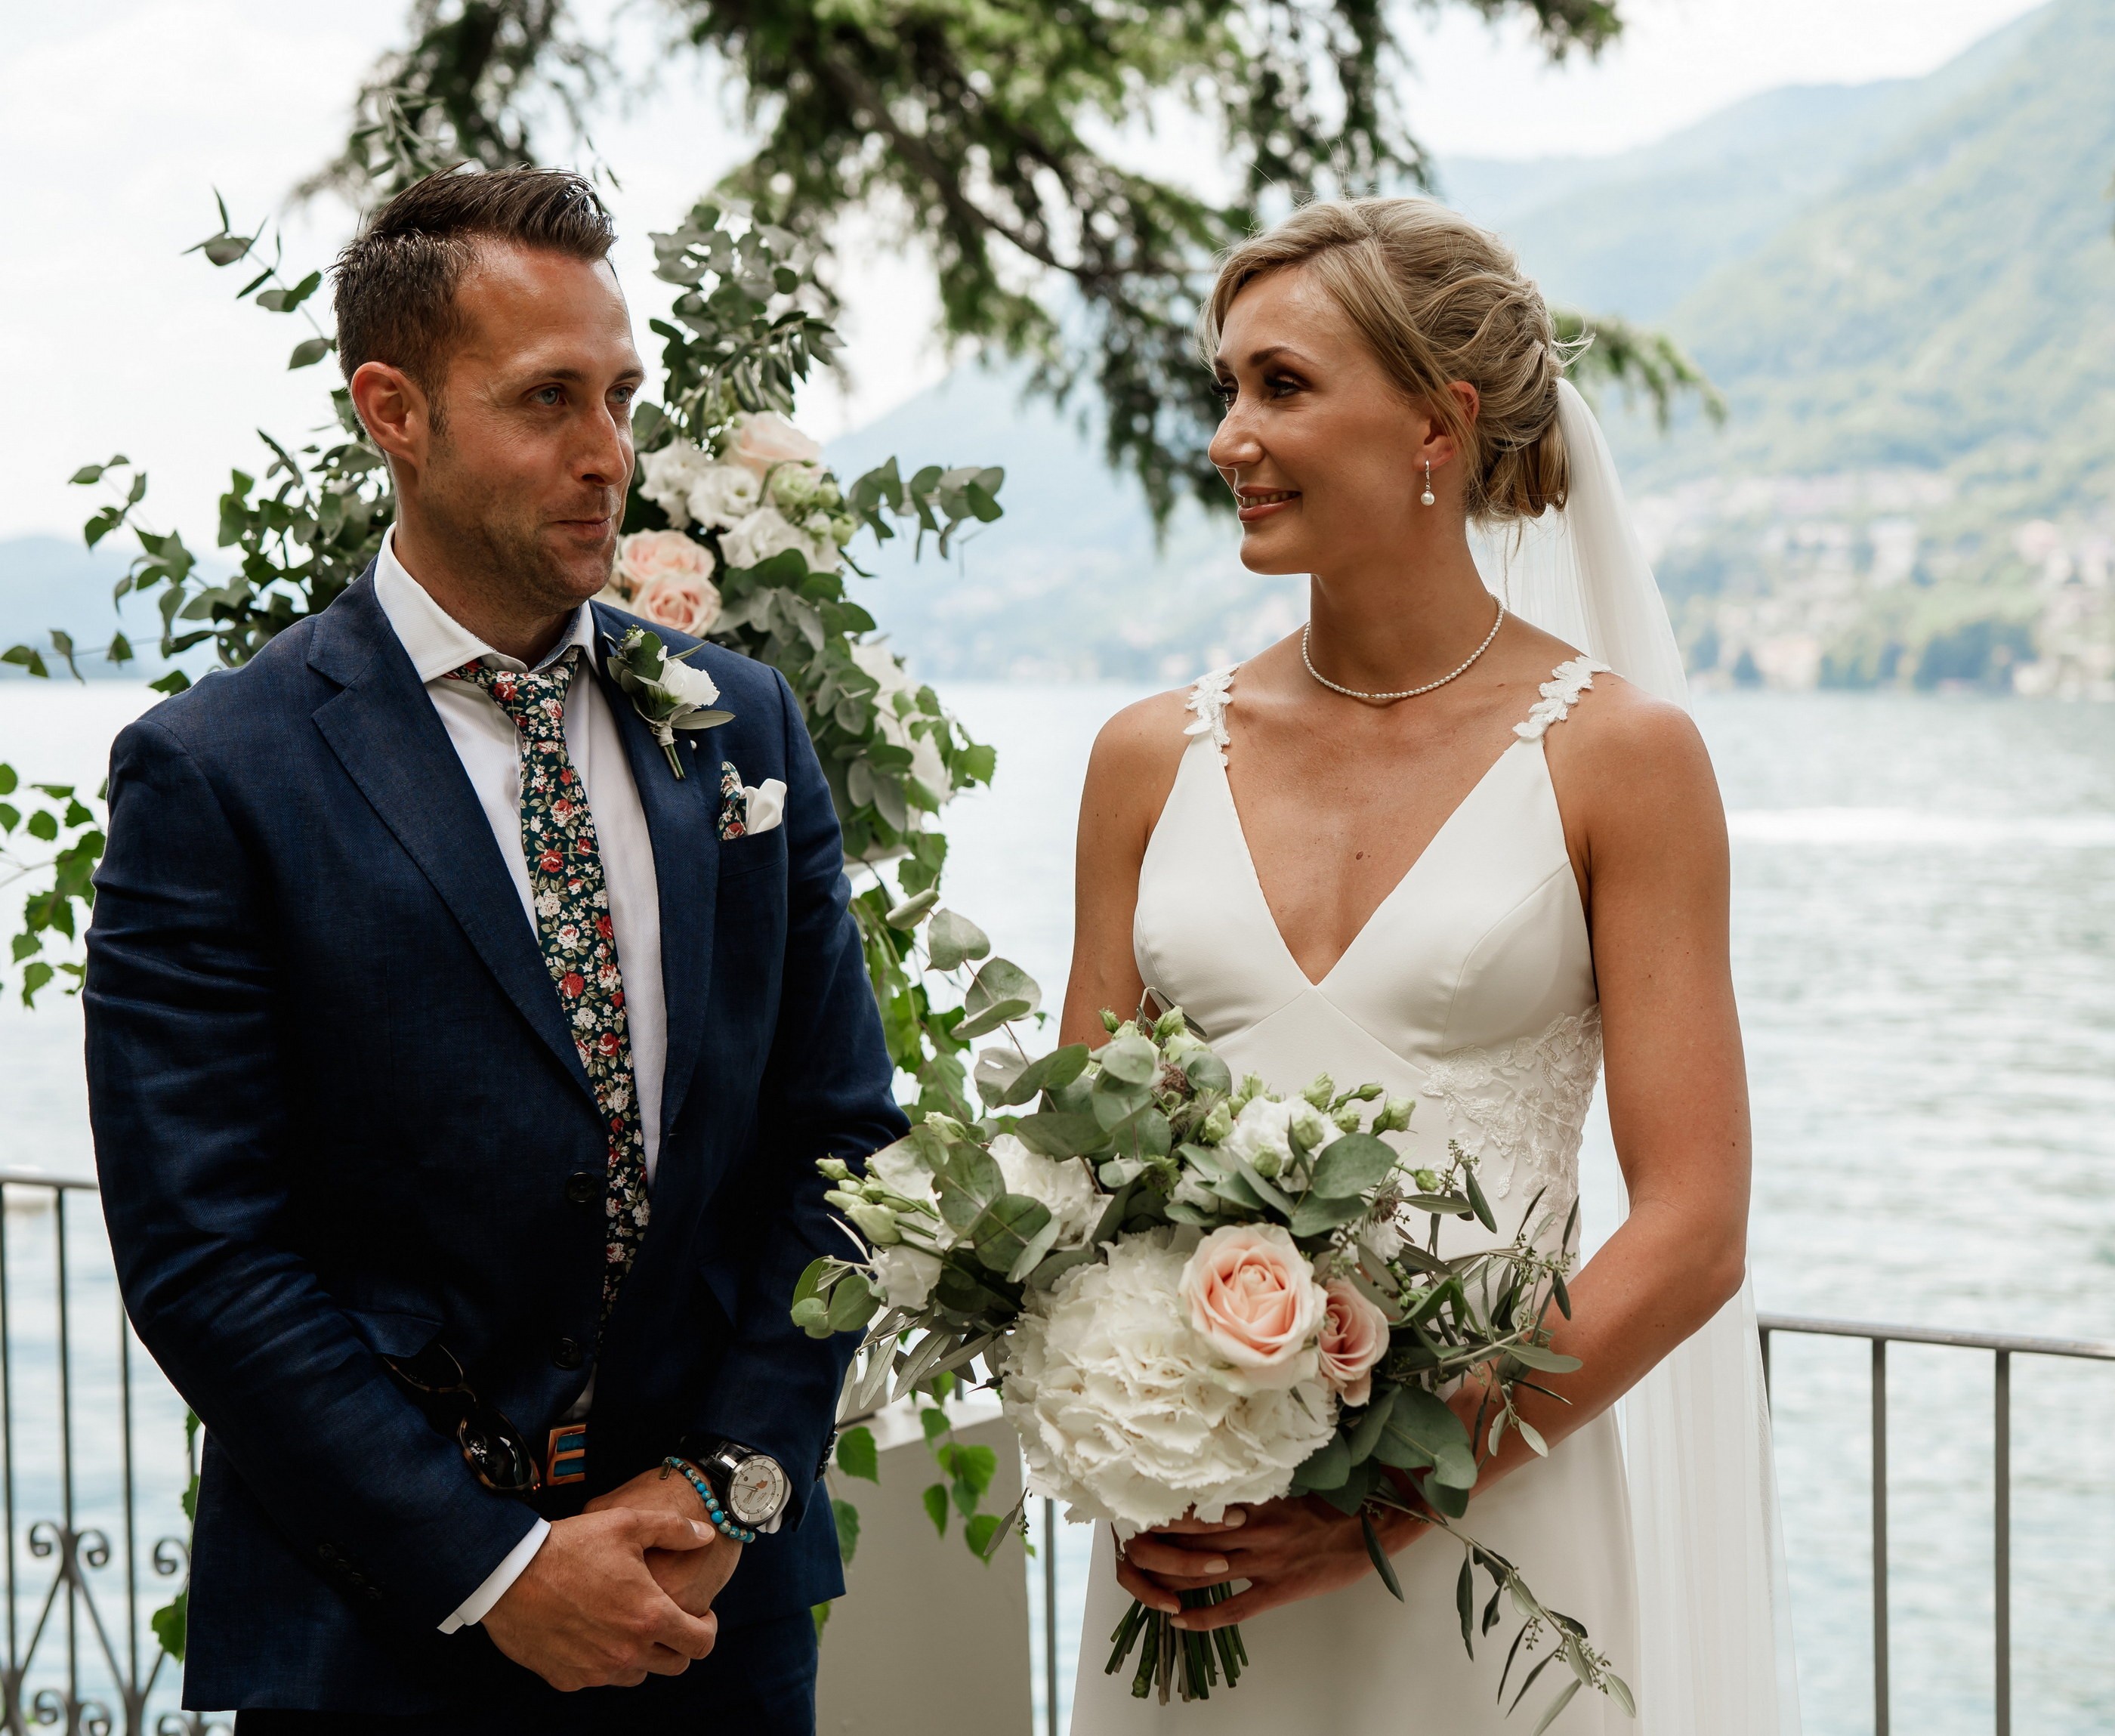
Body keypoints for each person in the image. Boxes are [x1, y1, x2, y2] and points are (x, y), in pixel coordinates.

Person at [83, 165, 897, 1731]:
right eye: (547, 400)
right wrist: (497, 1567)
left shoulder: (741, 723)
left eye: (621, 396)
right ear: (394, 411)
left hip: (710, 1621)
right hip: (381, 1636)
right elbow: (205, 1250)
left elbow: (843, 1142)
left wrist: (733, 1482)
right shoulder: (217, 772)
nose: (609, 454)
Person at [1058, 198, 1797, 1731]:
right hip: (1197, 1534)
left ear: (1436, 427)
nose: (1229, 438)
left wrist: (1388, 1498)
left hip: (1485, 1530)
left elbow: (1695, 1225)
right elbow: (1076, 1176)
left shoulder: (1621, 758)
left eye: (1280, 385)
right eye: (1225, 388)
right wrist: (1129, 1413)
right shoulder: (1143, 760)